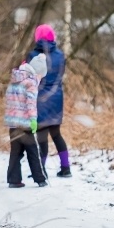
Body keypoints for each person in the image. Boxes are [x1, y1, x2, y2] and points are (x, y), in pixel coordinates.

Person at [26, 23, 72, 178]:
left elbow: (30, 76)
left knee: (42, 135)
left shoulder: (32, 55)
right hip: (57, 97)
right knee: (57, 134)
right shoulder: (60, 55)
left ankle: (41, 170)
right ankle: (66, 168)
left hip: (40, 98)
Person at [4, 54, 48, 188]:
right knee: (33, 151)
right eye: (41, 76)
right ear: (37, 72)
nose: (40, 80)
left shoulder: (14, 79)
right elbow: (31, 104)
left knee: (15, 152)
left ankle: (13, 180)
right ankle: (40, 178)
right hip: (25, 123)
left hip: (13, 122)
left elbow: (8, 99)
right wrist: (33, 120)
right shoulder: (31, 82)